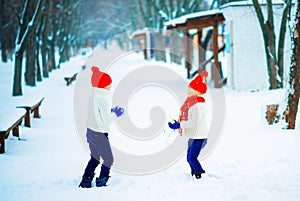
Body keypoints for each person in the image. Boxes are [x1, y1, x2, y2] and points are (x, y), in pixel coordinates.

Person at [79, 66, 124, 188]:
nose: (110, 86)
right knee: (108, 158)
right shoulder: (101, 99)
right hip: (99, 134)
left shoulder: (93, 96)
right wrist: (115, 114)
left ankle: (86, 180)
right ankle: (101, 181)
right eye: (108, 84)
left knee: (95, 158)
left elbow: (97, 114)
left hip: (90, 132)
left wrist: (109, 111)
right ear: (102, 85)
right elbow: (105, 120)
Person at [168, 71, 209, 179]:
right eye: (189, 88)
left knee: (192, 158)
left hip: (199, 137)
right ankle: (194, 175)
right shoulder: (191, 103)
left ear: (197, 91)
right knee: (189, 157)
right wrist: (178, 123)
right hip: (194, 136)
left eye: (191, 88)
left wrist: (180, 125)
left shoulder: (197, 105)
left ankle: (200, 175)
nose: (188, 90)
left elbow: (193, 122)